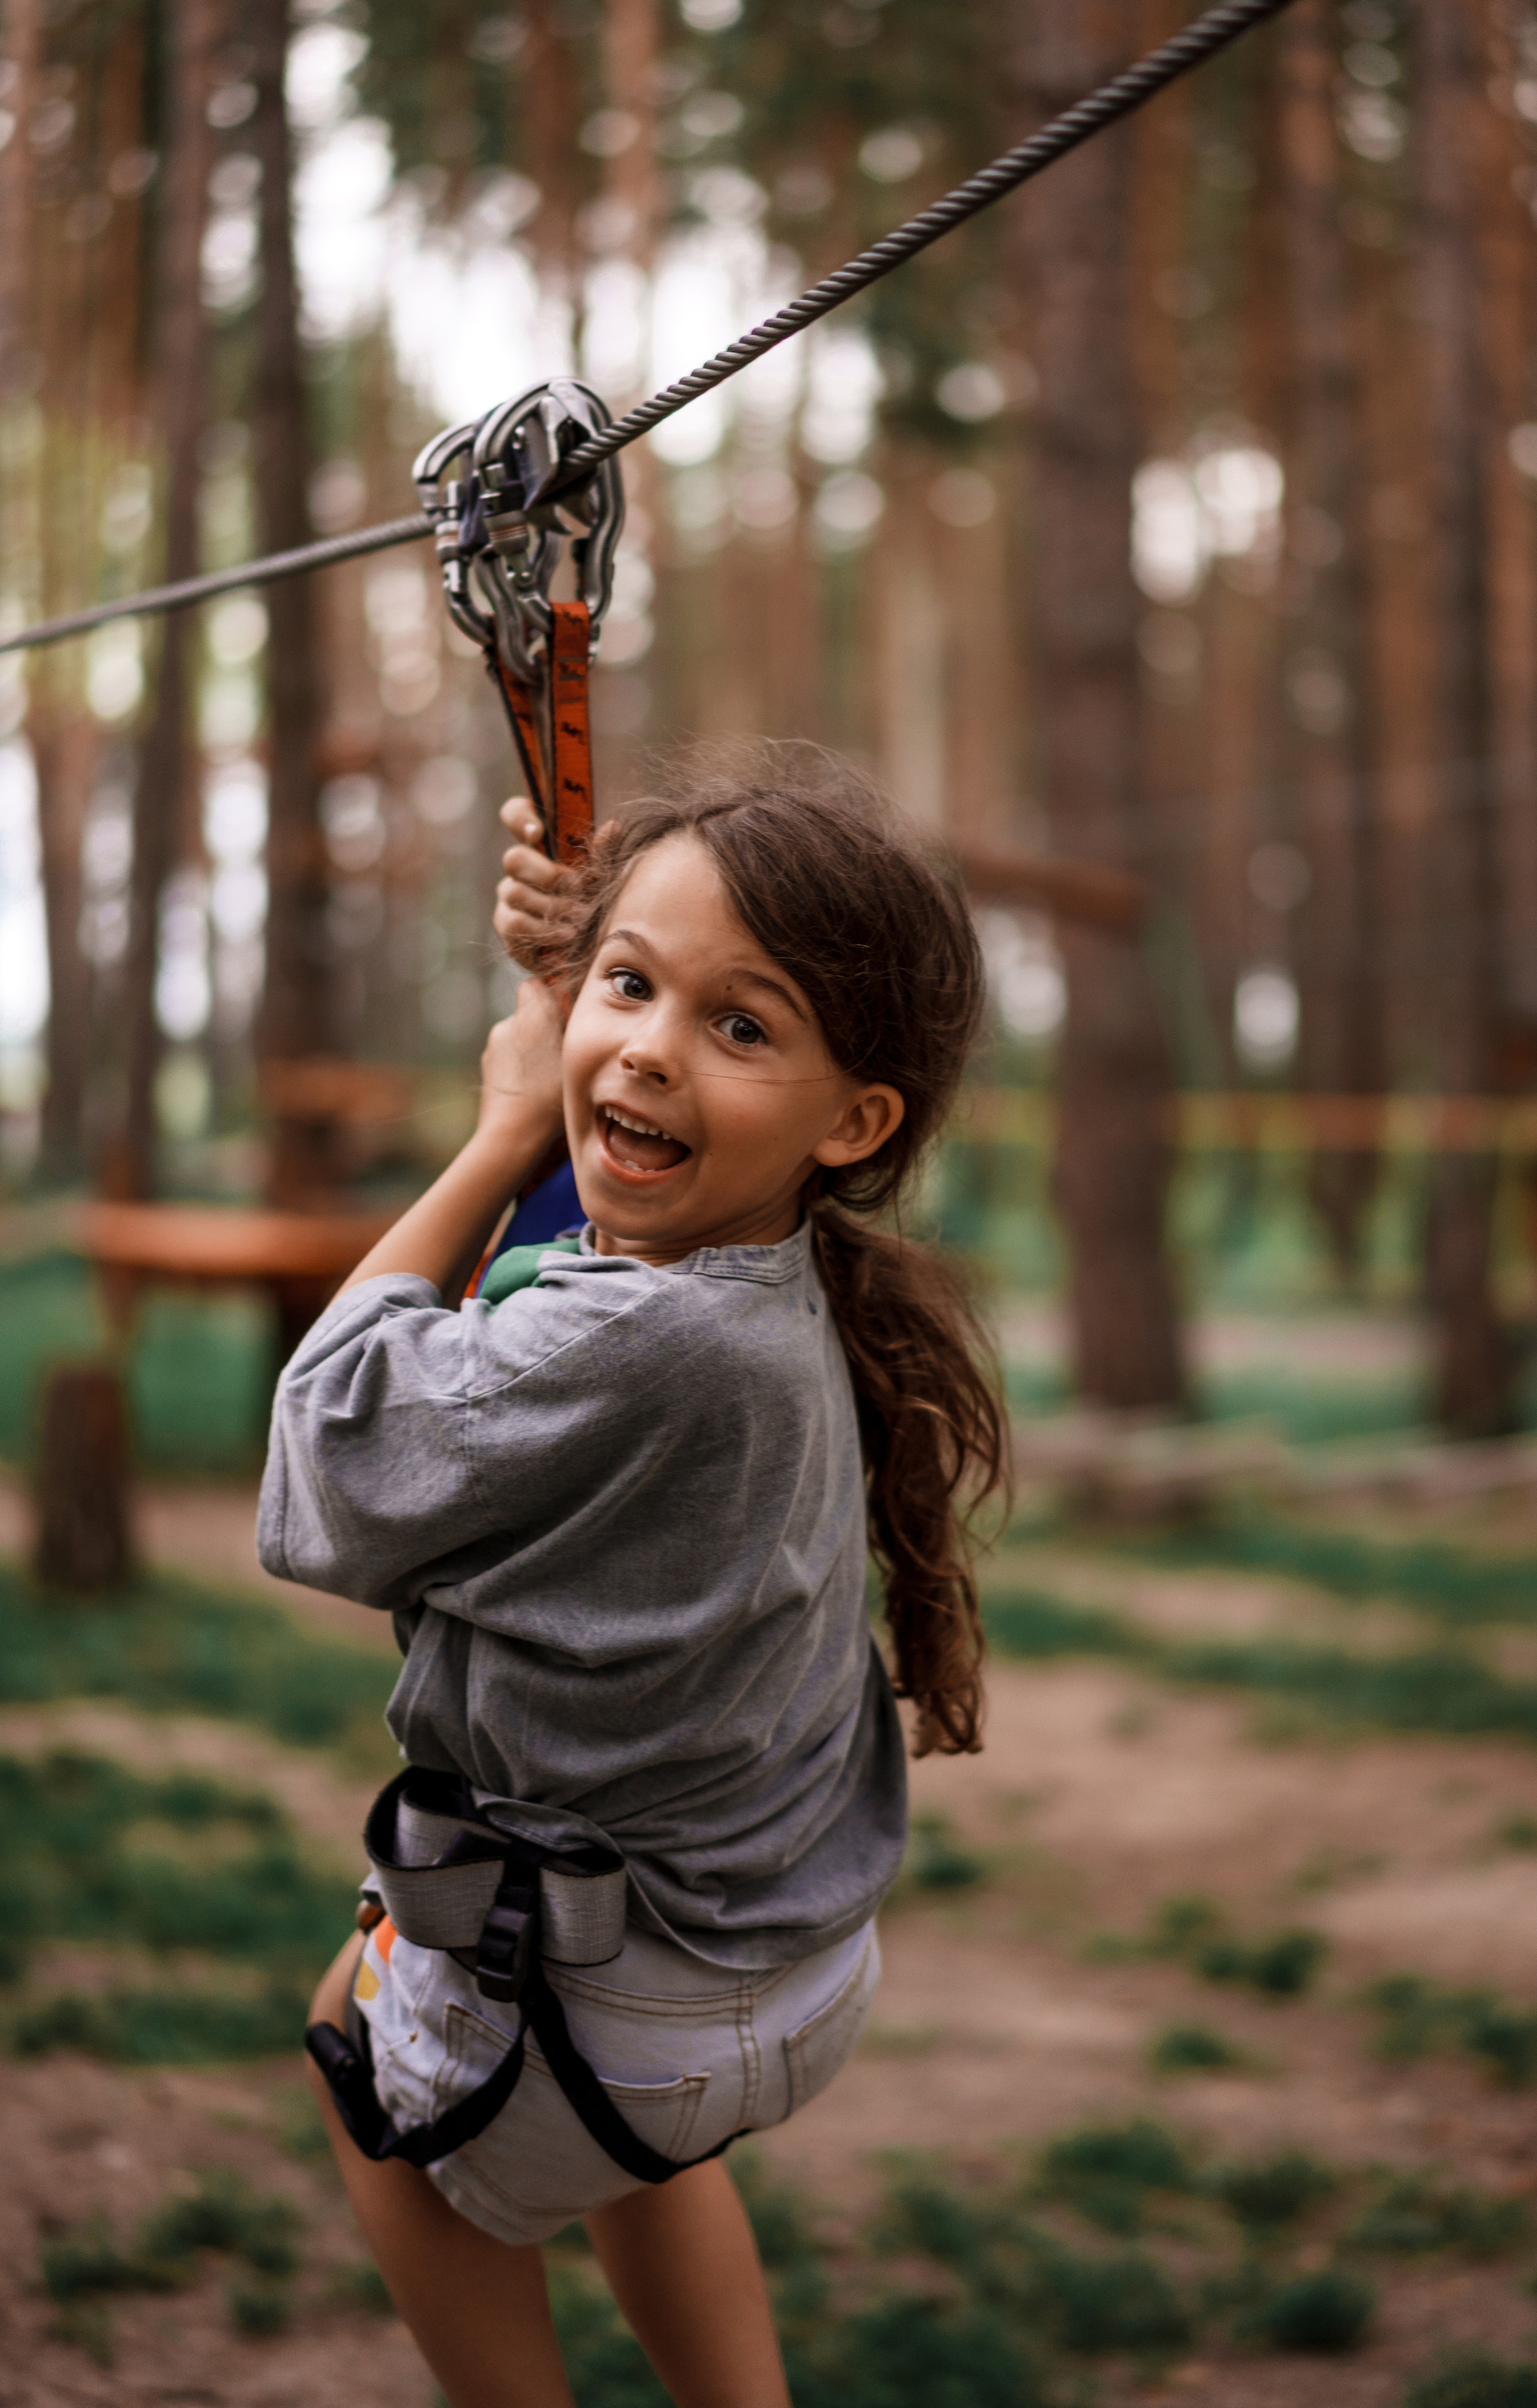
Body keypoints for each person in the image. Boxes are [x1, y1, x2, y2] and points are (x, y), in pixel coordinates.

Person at [260, 753, 1008, 2408]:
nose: (654, 1049)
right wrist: (569, 987)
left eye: (738, 1027)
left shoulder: (652, 1343)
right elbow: (594, 1223)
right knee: (629, 2157)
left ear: (855, 1118)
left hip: (638, 2001)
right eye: (632, 985)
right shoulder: (761, 1262)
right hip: (756, 1963)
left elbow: (328, 1455)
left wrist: (509, 1120)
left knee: (366, 2069)